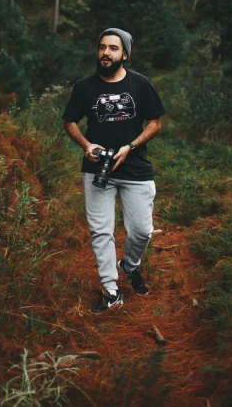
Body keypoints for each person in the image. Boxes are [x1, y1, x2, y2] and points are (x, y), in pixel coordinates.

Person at [62, 28, 165, 313]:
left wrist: (130, 147)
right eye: (102, 47)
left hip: (135, 166)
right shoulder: (84, 88)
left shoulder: (140, 84)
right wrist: (85, 144)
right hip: (97, 170)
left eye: (113, 48)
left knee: (142, 231)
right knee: (101, 231)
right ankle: (110, 290)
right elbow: (70, 121)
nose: (106, 53)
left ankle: (129, 266)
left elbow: (155, 123)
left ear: (125, 54)